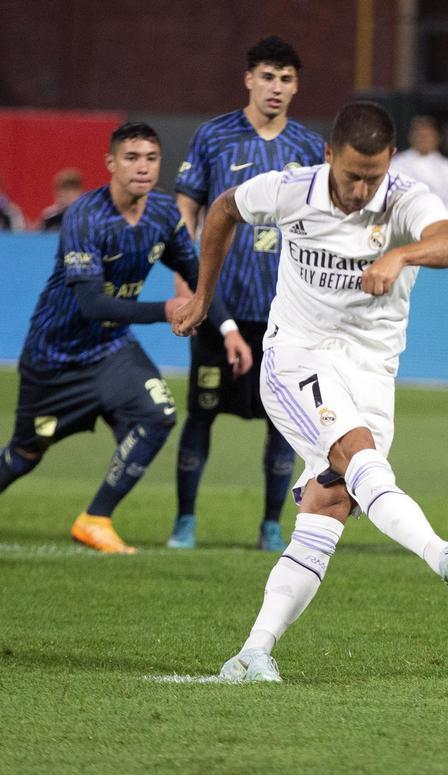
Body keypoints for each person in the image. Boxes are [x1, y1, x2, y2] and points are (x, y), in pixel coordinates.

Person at [170, 101, 448, 683]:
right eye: (353, 175)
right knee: (356, 454)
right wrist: (204, 296)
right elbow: (223, 209)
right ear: (329, 154)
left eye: (374, 176)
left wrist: (401, 253)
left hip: (371, 369)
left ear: (390, 161)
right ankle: (440, 552)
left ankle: (252, 653)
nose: (362, 190)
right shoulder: (291, 190)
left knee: (331, 502)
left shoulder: (403, 199)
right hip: (298, 356)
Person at [0, 122, 231, 552]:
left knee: (158, 415)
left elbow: (196, 275)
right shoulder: (86, 216)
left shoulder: (163, 213)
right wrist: (164, 310)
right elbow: (92, 304)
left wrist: (227, 328)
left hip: (112, 350)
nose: (143, 167)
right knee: (26, 453)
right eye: (132, 158)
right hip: (55, 356)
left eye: (151, 158)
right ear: (111, 163)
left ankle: (95, 518)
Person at [167, 36, 326, 552]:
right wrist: (185, 281)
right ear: (249, 80)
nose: (276, 87)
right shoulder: (213, 136)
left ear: (296, 86)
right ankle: (184, 522)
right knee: (202, 411)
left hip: (286, 311)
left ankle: (271, 526)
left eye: (286, 79)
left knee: (284, 422)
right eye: (267, 76)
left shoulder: (309, 147)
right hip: (219, 305)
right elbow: (187, 208)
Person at [389, 115, 448, 223]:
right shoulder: (397, 164)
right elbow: (389, 198)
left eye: (427, 136)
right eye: (419, 135)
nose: (423, 140)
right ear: (411, 137)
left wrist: (438, 223)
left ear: (437, 138)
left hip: (440, 225)